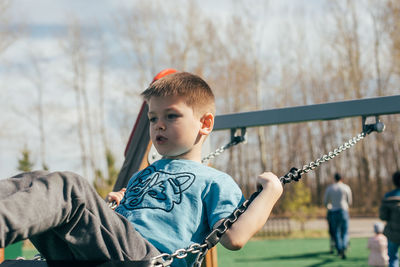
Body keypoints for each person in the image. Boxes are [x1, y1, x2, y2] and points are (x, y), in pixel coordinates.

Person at [0, 71, 283, 266]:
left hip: (149, 260)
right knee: (31, 181)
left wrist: (270, 192)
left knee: (69, 187)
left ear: (205, 124)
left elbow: (235, 237)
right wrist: (115, 210)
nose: (158, 124)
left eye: (171, 116)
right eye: (152, 118)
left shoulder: (215, 181)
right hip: (106, 254)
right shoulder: (141, 176)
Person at [323, 173, 352, 259]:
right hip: (343, 210)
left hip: (333, 212)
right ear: (342, 178)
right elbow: (349, 201)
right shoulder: (346, 187)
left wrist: (329, 207)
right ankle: (344, 246)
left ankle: (339, 249)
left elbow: (325, 202)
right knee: (345, 231)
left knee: (336, 232)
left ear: (334, 179)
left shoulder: (330, 188)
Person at [380, 171, 400, 267]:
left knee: (393, 258)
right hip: (392, 232)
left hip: (392, 233)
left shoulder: (388, 197)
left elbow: (383, 216)